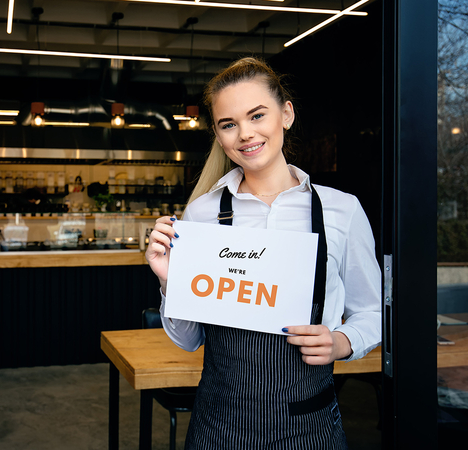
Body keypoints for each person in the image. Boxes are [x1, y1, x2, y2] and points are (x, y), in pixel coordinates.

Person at [145, 57, 381, 449]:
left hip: (310, 425)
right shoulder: (202, 214)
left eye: (257, 115)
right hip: (218, 427)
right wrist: (169, 280)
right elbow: (188, 341)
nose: (245, 134)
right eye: (228, 124)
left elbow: (372, 312)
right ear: (219, 136)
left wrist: (341, 342)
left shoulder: (342, 211)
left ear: (285, 114)